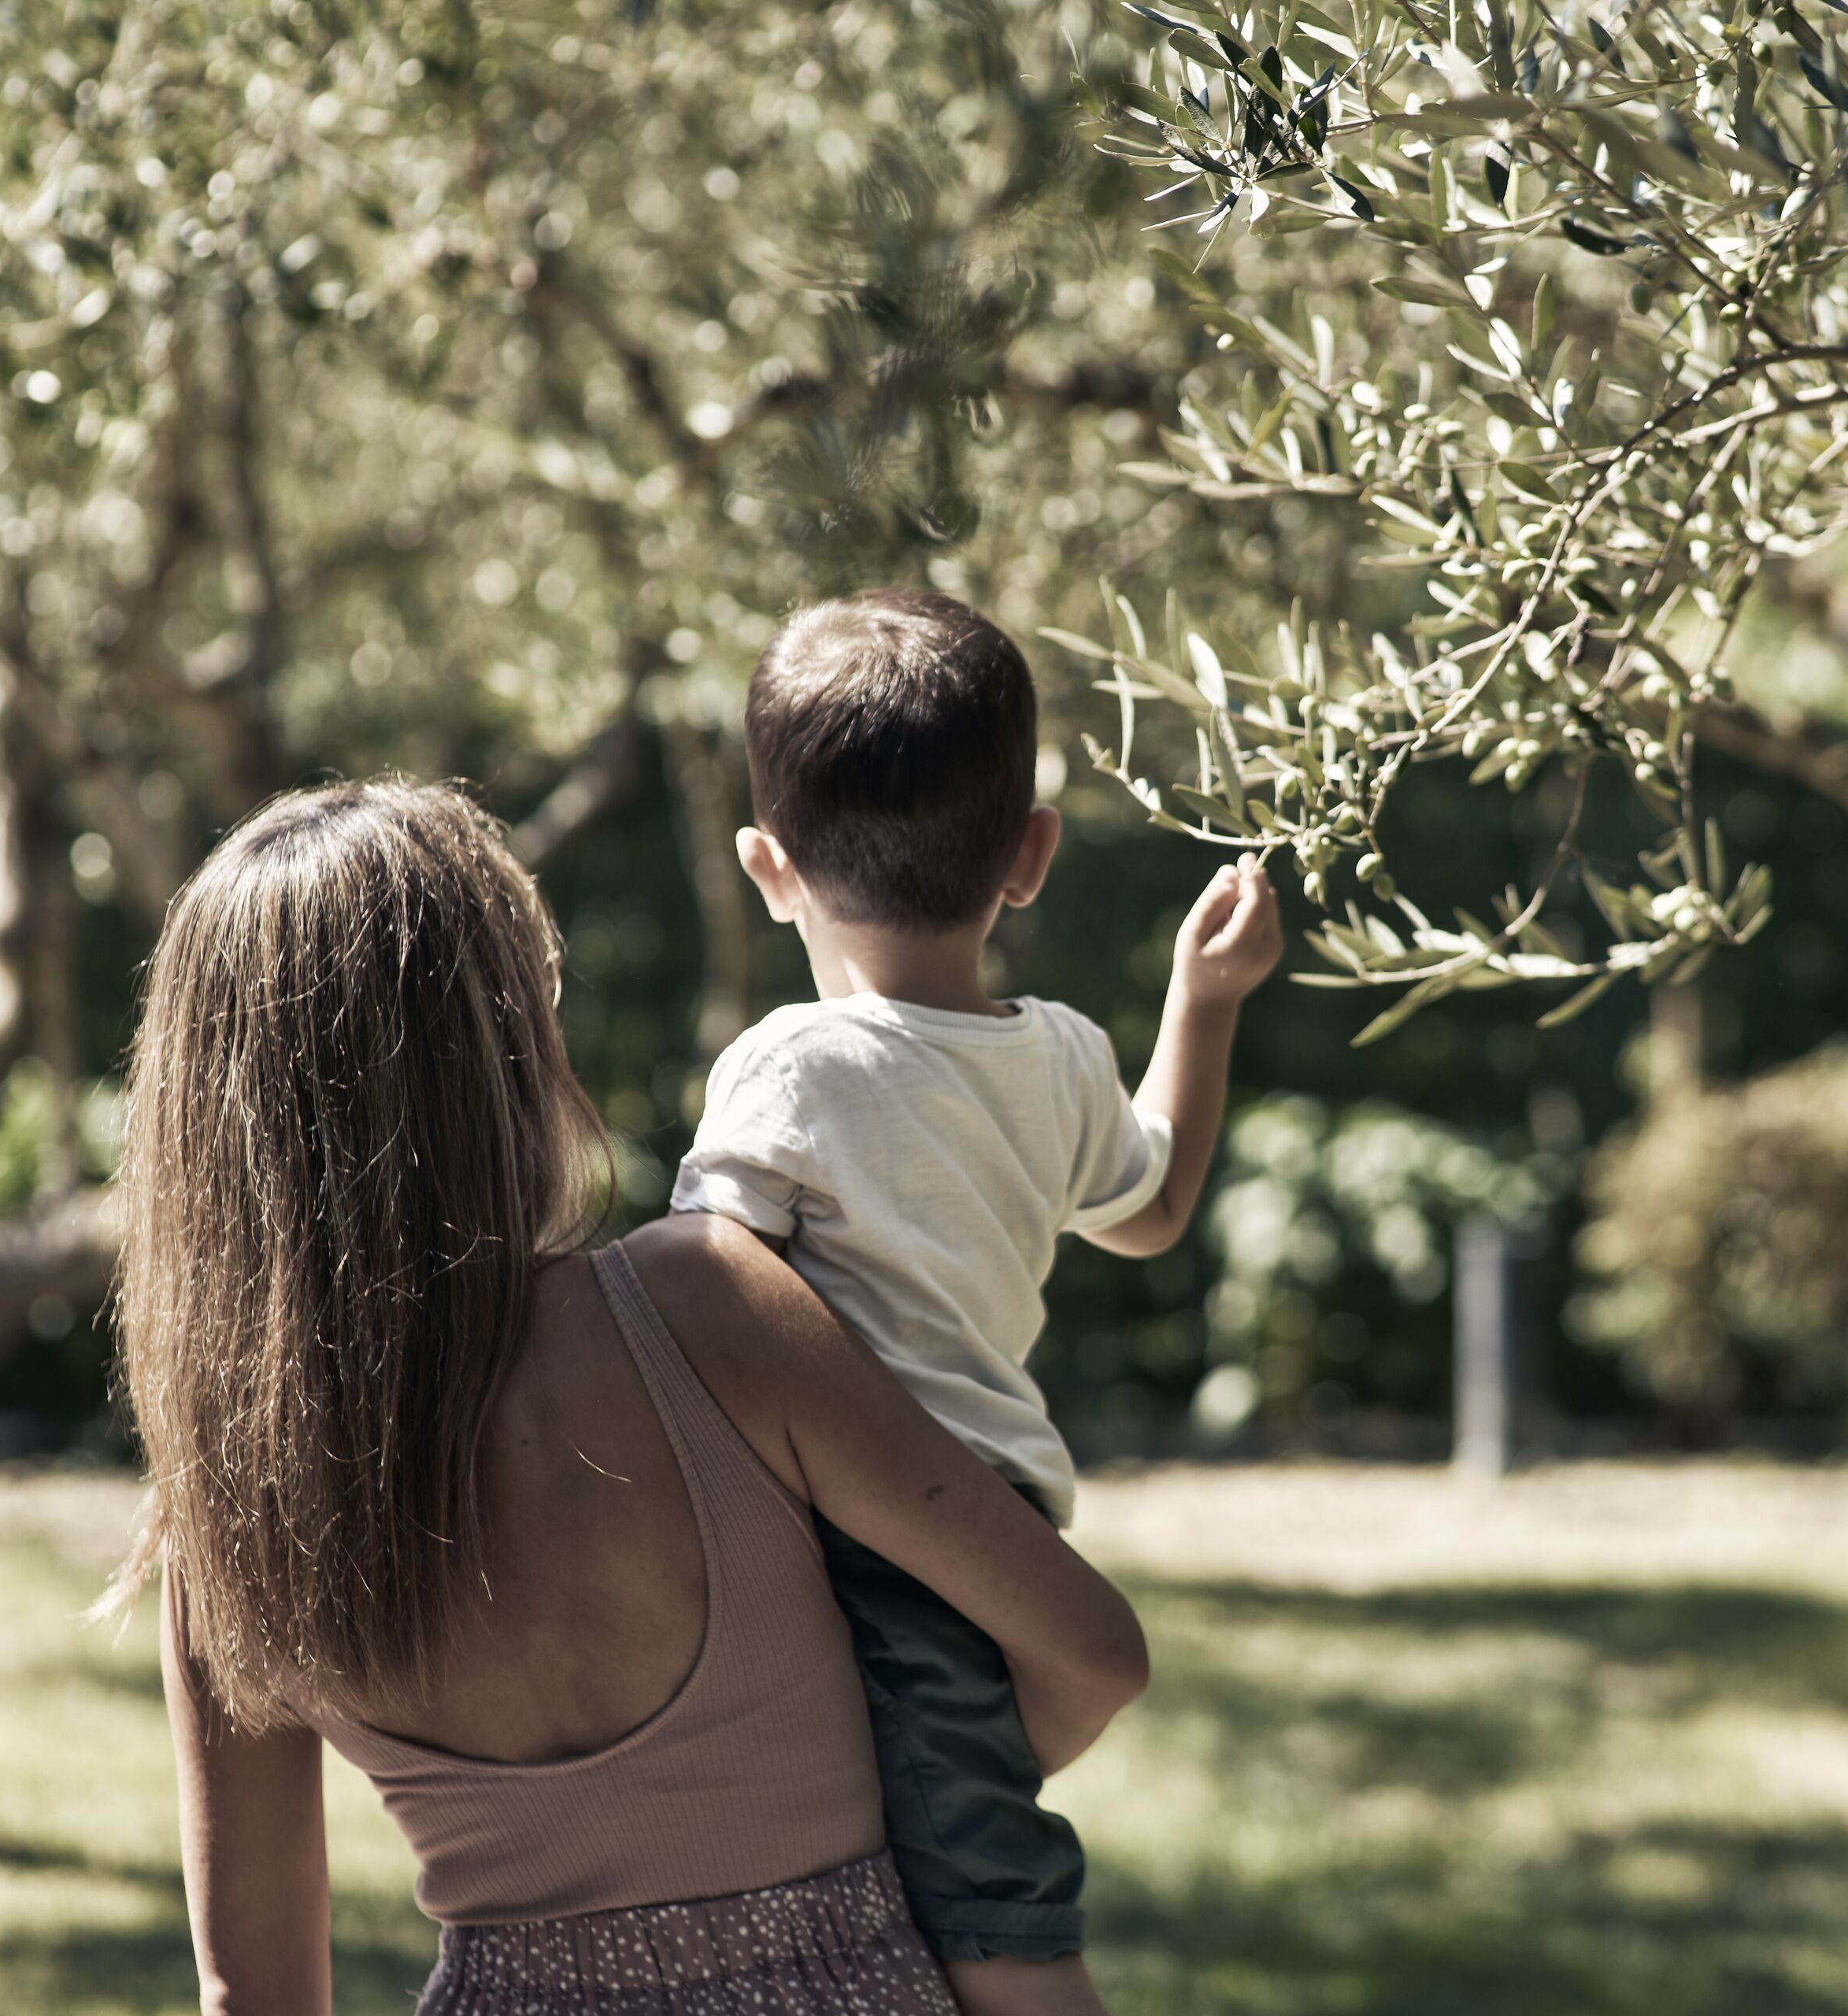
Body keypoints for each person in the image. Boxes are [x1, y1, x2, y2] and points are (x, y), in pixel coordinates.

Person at [115, 779, 1150, 2016]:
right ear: (504, 1043)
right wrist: (913, 1789)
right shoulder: (702, 1306)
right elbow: (1091, 1648)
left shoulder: (231, 1512)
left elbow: (256, 1995)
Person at [670, 590, 1282, 2016]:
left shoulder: (790, 1068)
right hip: (993, 1517)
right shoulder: (1061, 1055)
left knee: (988, 1889)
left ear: (768, 867)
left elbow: (701, 1293)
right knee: (948, 1830)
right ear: (1032, 855)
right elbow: (1156, 1209)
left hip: (865, 1540)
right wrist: (1205, 999)